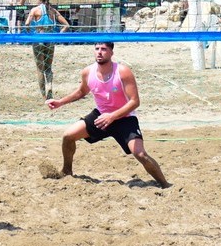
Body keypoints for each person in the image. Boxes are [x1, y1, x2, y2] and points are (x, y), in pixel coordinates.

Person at [45, 42, 169, 187]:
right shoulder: (88, 72)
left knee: (140, 154)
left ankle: (165, 184)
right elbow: (81, 91)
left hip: (124, 117)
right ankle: (66, 171)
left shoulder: (123, 71)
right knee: (68, 136)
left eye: (104, 49)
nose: (99, 52)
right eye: (97, 49)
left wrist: (112, 116)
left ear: (111, 53)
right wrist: (60, 102)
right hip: (101, 116)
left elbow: (135, 102)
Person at [24, 0, 70, 99]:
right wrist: (58, 36)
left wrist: (30, 33)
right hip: (50, 39)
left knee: (40, 69)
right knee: (48, 68)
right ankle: (49, 89)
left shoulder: (35, 10)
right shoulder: (53, 11)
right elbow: (66, 25)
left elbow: (27, 24)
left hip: (38, 39)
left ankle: (44, 95)